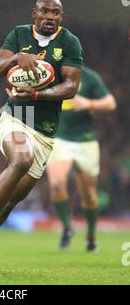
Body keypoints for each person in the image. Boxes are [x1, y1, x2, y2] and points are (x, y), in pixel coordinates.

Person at [0, 0, 84, 271]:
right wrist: (17, 56)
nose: (50, 17)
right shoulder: (18, 35)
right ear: (34, 13)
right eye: (45, 11)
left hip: (46, 131)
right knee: (21, 158)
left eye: (56, 13)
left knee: (12, 200)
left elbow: (71, 87)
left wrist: (38, 94)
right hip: (15, 117)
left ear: (61, 17)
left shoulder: (70, 42)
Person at [46, 65, 117, 251]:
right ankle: (67, 227)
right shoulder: (48, 75)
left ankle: (91, 236)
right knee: (56, 184)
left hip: (85, 141)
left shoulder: (90, 77)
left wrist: (89, 104)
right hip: (59, 138)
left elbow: (110, 103)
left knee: (89, 195)